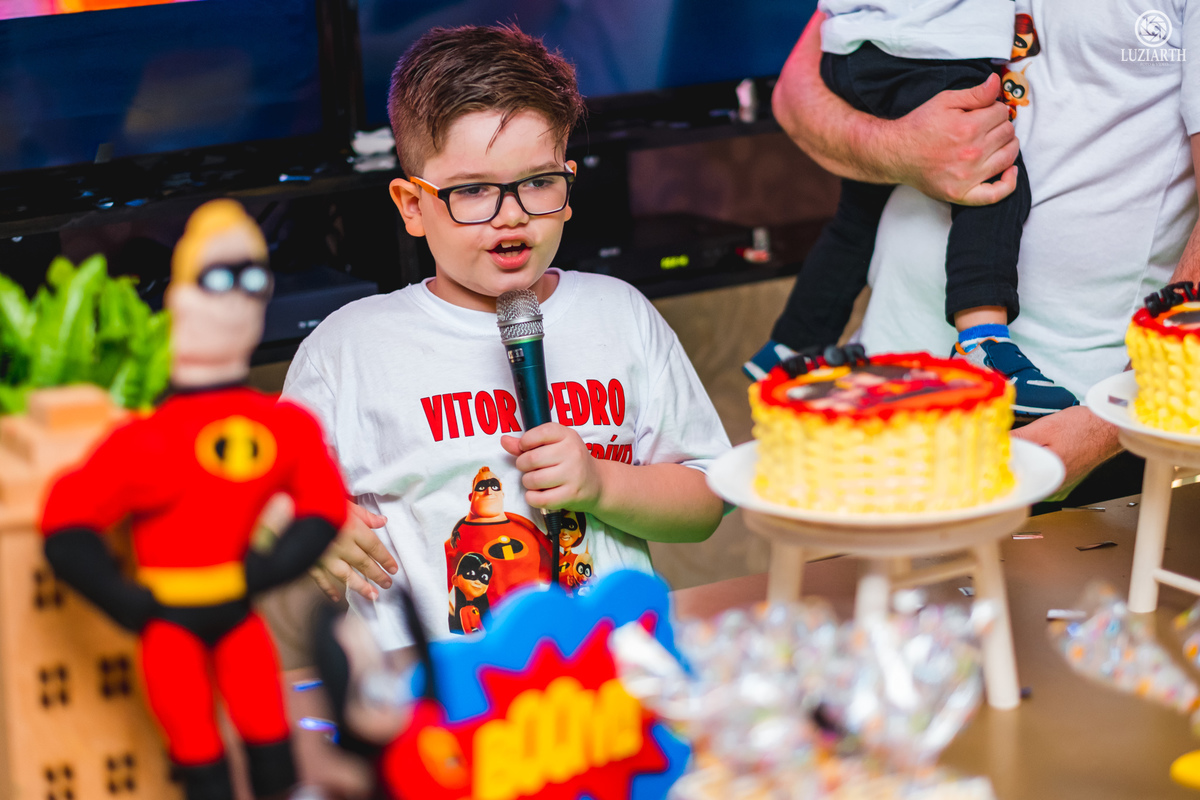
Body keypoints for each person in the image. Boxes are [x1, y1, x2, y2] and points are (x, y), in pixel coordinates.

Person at [282, 24, 730, 649]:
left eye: (538, 182)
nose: (512, 214)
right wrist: (308, 525)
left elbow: (707, 502)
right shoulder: (347, 349)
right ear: (411, 205)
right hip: (443, 687)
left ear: (568, 186)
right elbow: (262, 495)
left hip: (612, 670)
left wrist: (603, 484)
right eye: (472, 191)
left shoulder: (620, 314)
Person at [767, 4, 1200, 496]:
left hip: (1054, 414)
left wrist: (1110, 424)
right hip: (880, 378)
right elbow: (795, 93)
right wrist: (896, 147)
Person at [40, 200, 349, 800]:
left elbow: (322, 506)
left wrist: (265, 570)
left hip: (239, 618)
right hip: (169, 625)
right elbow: (65, 523)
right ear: (180, 300)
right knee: (195, 746)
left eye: (251, 280)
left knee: (268, 733)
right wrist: (127, 602)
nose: (234, 300)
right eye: (218, 279)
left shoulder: (279, 428)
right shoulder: (144, 442)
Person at [745, 3, 1077, 419]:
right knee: (994, 176)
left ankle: (791, 347)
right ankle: (982, 347)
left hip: (851, 54)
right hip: (925, 51)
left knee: (859, 214)